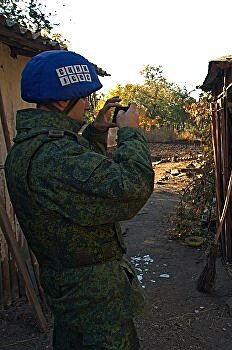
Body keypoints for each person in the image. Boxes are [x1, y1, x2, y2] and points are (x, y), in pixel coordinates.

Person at [5, 50, 154, 349]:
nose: (88, 104)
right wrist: (131, 134)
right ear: (62, 101)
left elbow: (77, 187)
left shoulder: (30, 147)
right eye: (84, 97)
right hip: (96, 298)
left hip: (69, 288)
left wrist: (95, 133)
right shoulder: (54, 155)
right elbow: (132, 188)